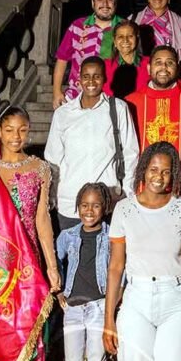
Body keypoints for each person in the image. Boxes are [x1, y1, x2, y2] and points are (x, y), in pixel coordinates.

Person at [103, 142, 181, 361]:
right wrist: (109, 321)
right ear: (143, 170)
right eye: (153, 169)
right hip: (136, 299)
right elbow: (115, 267)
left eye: (166, 171)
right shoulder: (124, 209)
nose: (159, 177)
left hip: (176, 301)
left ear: (174, 175)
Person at [0, 106, 61, 361]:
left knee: (33, 324)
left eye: (22, 130)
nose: (15, 136)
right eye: (9, 130)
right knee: (1, 328)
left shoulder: (40, 168)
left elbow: (42, 219)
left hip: (31, 258)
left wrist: (52, 265)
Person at [45, 56, 140, 231]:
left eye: (97, 76)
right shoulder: (63, 113)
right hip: (70, 202)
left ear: (104, 79)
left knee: (107, 256)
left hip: (108, 201)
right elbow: (53, 159)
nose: (91, 81)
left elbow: (130, 153)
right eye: (86, 76)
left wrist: (128, 194)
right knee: (70, 255)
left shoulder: (118, 108)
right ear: (79, 79)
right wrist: (51, 196)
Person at [56, 183, 112, 361]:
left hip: (99, 307)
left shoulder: (111, 235)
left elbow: (121, 266)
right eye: (84, 205)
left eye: (96, 205)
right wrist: (59, 289)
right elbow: (55, 260)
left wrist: (115, 296)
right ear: (77, 207)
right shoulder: (68, 235)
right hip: (73, 309)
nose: (89, 211)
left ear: (105, 207)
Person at [53, 0, 122, 108]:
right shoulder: (77, 26)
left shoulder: (124, 28)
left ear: (115, 3)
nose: (105, 4)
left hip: (111, 96)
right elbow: (62, 59)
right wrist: (56, 92)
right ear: (93, 3)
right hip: (76, 95)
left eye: (110, 0)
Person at [124, 45, 181, 154]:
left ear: (177, 69)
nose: (164, 67)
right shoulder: (131, 102)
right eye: (158, 62)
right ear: (149, 68)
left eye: (170, 63)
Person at [104, 20, 151, 99]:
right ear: (114, 41)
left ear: (137, 38)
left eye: (130, 36)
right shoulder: (104, 66)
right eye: (120, 37)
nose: (125, 40)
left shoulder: (150, 64)